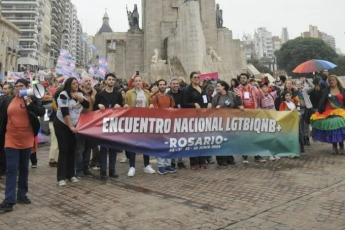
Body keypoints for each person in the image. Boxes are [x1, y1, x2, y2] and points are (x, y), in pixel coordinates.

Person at [0, 79, 45, 212]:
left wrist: (29, 103)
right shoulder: (8, 100)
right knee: (12, 169)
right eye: (17, 86)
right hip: (11, 138)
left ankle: (22, 195)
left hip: (27, 138)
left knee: (24, 168)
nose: (18, 88)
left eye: (22, 86)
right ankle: (9, 200)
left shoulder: (32, 99)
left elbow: (41, 112)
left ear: (27, 87)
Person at [54, 77, 90, 186]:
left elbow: (87, 105)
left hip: (74, 126)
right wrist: (70, 126)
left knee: (72, 150)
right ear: (69, 85)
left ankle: (71, 174)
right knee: (64, 150)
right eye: (73, 84)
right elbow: (65, 113)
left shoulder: (79, 94)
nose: (76, 85)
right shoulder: (63, 95)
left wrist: (80, 98)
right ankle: (61, 177)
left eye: (77, 83)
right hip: (62, 124)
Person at [124, 75, 156, 176]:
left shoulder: (147, 93)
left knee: (145, 144)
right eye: (136, 81)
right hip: (133, 121)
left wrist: (151, 105)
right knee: (133, 144)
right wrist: (125, 106)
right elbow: (124, 103)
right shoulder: (129, 93)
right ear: (133, 83)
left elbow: (150, 103)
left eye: (139, 81)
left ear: (142, 82)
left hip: (145, 121)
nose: (138, 82)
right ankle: (132, 166)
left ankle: (146, 165)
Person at [94, 73, 123, 180]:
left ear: (114, 81)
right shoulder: (100, 95)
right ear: (105, 81)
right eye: (109, 79)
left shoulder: (118, 94)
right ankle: (103, 170)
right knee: (103, 148)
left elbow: (122, 107)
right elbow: (93, 109)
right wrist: (98, 106)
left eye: (112, 79)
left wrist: (119, 106)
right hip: (103, 124)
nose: (111, 81)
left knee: (113, 148)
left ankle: (112, 170)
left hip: (114, 124)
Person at [182, 71, 212, 170]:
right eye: (194, 77)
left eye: (198, 77)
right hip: (192, 117)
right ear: (190, 79)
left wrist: (209, 103)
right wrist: (193, 104)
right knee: (193, 140)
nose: (197, 79)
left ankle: (202, 160)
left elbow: (205, 99)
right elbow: (184, 103)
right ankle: (194, 162)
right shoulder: (188, 90)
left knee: (202, 139)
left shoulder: (202, 89)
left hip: (203, 117)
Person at [310, 75, 345, 155]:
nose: (332, 82)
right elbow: (321, 100)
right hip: (329, 112)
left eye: (333, 80)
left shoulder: (342, 90)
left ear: (337, 81)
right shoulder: (326, 91)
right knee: (332, 129)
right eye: (330, 81)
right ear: (328, 82)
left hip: (341, 112)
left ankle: (342, 146)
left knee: (340, 129)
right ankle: (334, 146)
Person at [212, 80, 243, 166]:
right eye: (217, 86)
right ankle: (221, 160)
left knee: (230, 140)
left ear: (223, 87)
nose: (217, 88)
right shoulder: (216, 97)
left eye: (218, 86)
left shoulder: (231, 94)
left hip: (230, 121)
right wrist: (216, 109)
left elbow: (238, 104)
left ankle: (230, 158)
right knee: (221, 140)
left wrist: (238, 97)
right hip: (220, 122)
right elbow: (212, 110)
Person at [236, 73, 266, 163]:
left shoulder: (253, 88)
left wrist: (259, 87)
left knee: (256, 135)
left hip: (254, 114)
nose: (243, 79)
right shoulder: (237, 89)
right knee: (245, 135)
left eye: (244, 78)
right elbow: (236, 101)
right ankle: (245, 155)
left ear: (248, 79)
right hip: (244, 115)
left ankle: (257, 155)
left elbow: (262, 96)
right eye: (241, 78)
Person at [151, 79, 177, 174]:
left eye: (163, 84)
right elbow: (156, 111)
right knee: (160, 144)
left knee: (169, 144)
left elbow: (173, 109)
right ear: (158, 86)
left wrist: (171, 110)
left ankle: (168, 164)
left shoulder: (170, 97)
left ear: (166, 86)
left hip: (168, 123)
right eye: (160, 84)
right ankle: (160, 165)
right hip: (159, 124)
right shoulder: (155, 97)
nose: (162, 86)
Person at [75, 76, 97, 178]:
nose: (88, 82)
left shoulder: (94, 93)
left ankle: (86, 168)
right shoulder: (79, 94)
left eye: (89, 81)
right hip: (80, 123)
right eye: (86, 81)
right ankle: (79, 170)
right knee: (80, 148)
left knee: (88, 148)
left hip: (90, 124)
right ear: (82, 84)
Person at [167, 77, 187, 169]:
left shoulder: (183, 93)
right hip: (171, 120)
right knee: (172, 142)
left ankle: (180, 161)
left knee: (181, 140)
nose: (175, 85)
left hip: (181, 120)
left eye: (177, 83)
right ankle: (172, 161)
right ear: (170, 85)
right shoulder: (168, 94)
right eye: (173, 83)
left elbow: (185, 104)